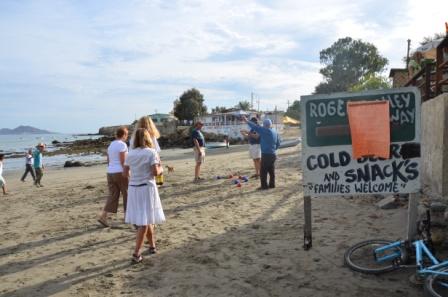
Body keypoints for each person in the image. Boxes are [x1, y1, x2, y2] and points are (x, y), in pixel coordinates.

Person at [124, 128, 165, 263]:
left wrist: (135, 177)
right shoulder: (151, 152)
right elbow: (155, 172)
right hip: (146, 188)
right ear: (148, 138)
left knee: (146, 218)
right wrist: (161, 169)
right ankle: (136, 253)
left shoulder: (130, 154)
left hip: (134, 188)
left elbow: (125, 173)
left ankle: (152, 245)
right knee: (144, 222)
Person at [98, 127, 129, 227]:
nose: (127, 136)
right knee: (126, 193)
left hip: (110, 172)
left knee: (113, 195)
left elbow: (108, 159)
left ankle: (103, 215)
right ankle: (127, 216)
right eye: (127, 134)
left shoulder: (111, 145)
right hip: (120, 172)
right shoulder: (122, 145)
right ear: (124, 134)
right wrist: (127, 171)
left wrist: (111, 168)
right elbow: (123, 161)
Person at [243, 117, 281, 190]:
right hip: (273, 154)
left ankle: (264, 186)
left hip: (266, 154)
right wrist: (274, 149)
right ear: (271, 125)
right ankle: (272, 185)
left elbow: (255, 127)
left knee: (263, 171)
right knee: (271, 170)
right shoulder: (275, 131)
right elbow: (279, 142)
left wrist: (247, 121)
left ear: (264, 125)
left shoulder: (264, 130)